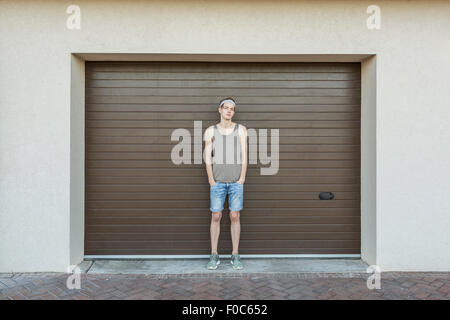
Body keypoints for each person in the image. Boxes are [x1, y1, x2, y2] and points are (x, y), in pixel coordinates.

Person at [203, 97, 248, 270]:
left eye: (232, 109)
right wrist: (211, 180)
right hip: (218, 182)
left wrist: (242, 178)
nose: (229, 111)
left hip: (236, 181)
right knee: (216, 216)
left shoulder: (241, 130)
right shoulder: (210, 131)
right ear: (220, 110)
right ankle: (214, 255)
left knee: (235, 216)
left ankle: (235, 254)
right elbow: (207, 158)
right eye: (226, 108)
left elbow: (244, 155)